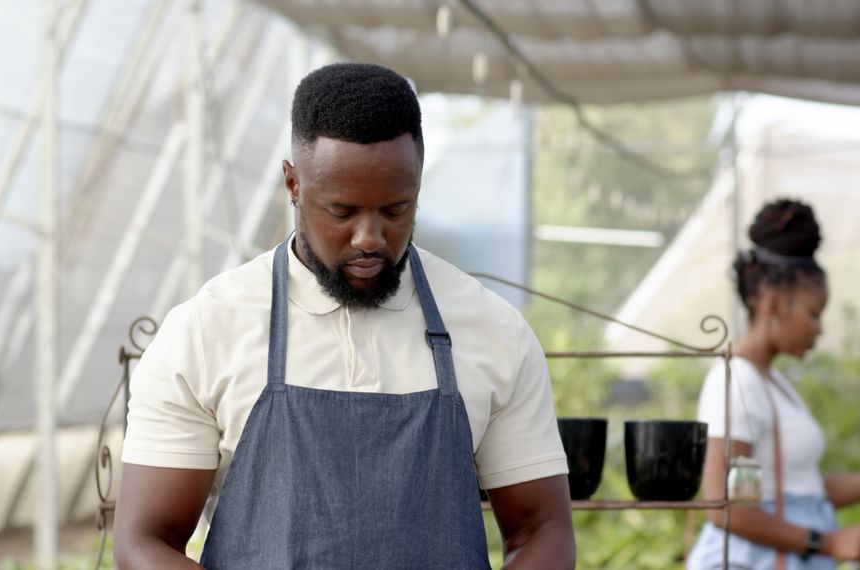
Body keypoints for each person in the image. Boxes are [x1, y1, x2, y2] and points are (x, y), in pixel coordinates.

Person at [113, 62, 575, 569]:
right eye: (343, 211)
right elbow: (145, 542)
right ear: (293, 184)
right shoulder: (206, 332)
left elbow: (542, 530)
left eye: (396, 210)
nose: (370, 238)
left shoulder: (493, 330)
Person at [687, 198, 860, 569]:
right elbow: (722, 507)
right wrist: (827, 542)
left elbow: (809, 489)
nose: (819, 330)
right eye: (813, 314)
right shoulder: (736, 380)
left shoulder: (774, 384)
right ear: (774, 303)